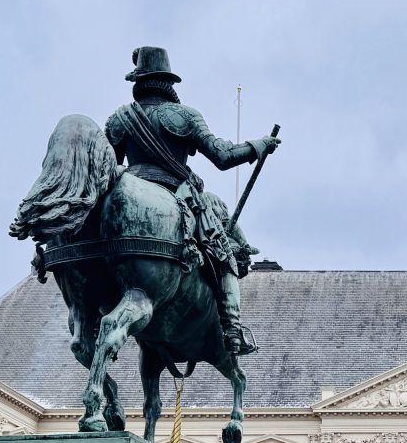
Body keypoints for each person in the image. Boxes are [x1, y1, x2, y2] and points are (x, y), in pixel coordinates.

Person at [104, 47, 277, 355]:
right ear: (169, 83)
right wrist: (259, 145)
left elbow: (107, 171)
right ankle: (233, 328)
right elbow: (222, 157)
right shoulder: (183, 116)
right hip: (177, 195)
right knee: (223, 255)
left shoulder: (120, 119)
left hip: (124, 195)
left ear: (138, 81)